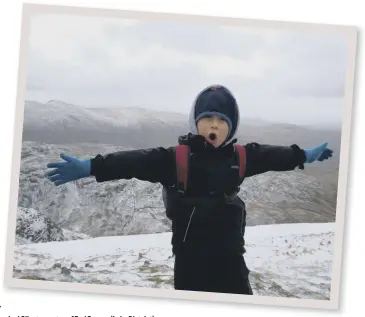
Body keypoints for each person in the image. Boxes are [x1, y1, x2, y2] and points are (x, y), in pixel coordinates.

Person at [45, 84, 333, 295]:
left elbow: (274, 156)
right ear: (196, 123)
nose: (214, 126)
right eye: (208, 118)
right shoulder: (175, 158)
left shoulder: (242, 157)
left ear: (231, 127)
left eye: (222, 120)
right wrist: (93, 167)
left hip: (231, 256)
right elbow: (134, 161)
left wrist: (304, 155)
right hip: (190, 260)